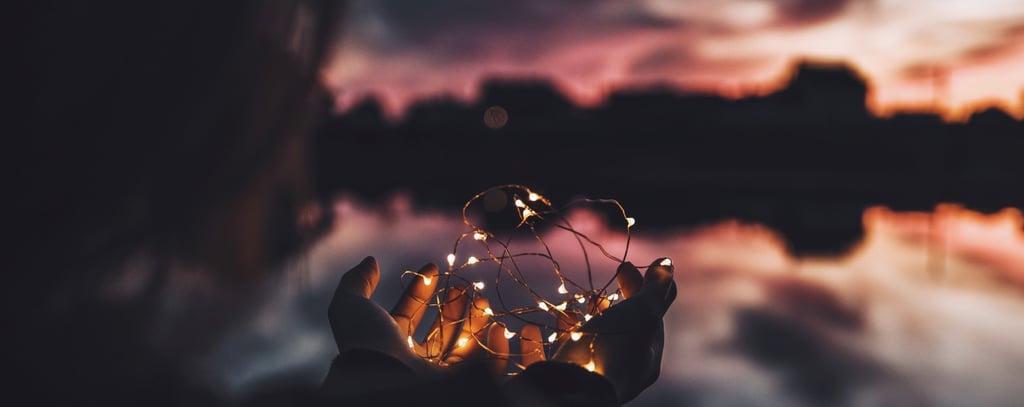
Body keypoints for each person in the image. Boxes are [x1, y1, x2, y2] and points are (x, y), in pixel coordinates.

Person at [9, 1, 676, 405]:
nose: (308, 88)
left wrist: (372, 370)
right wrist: (572, 394)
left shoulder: (58, 366)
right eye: (266, 40)